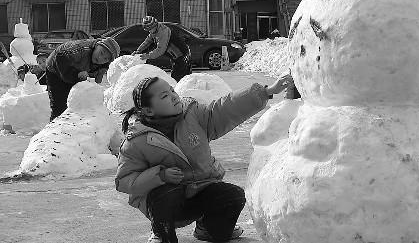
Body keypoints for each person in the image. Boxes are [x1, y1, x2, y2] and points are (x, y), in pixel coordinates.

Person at [115, 73, 293, 243]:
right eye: (164, 96)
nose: (174, 96)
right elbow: (124, 181)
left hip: (202, 188)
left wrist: (266, 91)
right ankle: (161, 231)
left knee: (234, 196)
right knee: (164, 196)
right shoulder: (137, 141)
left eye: (172, 90)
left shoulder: (193, 114)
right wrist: (160, 176)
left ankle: (207, 229)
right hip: (167, 201)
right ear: (148, 110)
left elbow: (224, 109)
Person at [46, 37, 120, 121]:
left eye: (105, 59)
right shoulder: (80, 49)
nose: (100, 58)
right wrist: (76, 74)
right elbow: (60, 58)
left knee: (78, 104)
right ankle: (54, 129)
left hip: (79, 71)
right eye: (101, 53)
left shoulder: (103, 65)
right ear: (97, 46)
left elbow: (96, 82)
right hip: (56, 67)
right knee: (60, 105)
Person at [132, 16, 192, 82]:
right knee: (176, 77)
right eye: (147, 30)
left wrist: (147, 56)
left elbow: (160, 50)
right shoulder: (154, 31)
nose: (149, 31)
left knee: (178, 78)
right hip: (174, 55)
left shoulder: (163, 32)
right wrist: (138, 51)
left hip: (182, 54)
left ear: (154, 26)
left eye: (150, 29)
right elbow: (147, 42)